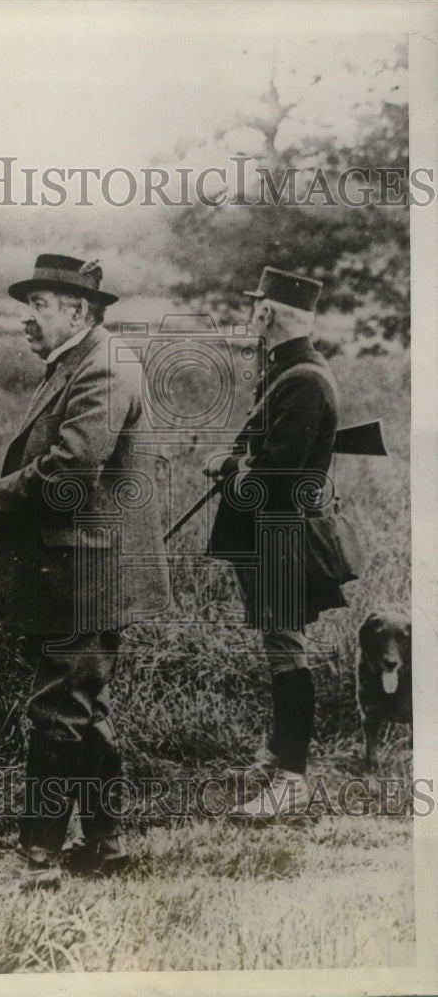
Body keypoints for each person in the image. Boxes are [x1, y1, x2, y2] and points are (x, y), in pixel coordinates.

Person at [0, 254, 170, 892]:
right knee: (82, 706)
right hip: (76, 567)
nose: (29, 318)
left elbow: (70, 469)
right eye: (30, 305)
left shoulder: (103, 368)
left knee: (58, 712)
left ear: (79, 311)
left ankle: (36, 862)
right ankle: (104, 847)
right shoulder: (79, 363)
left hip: (88, 571)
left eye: (41, 305)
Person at [205, 267, 343, 820]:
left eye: (256, 305)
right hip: (271, 534)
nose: (251, 313)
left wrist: (232, 464)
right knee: (278, 646)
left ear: (267, 314)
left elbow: (277, 473)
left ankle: (291, 780)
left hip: (283, 535)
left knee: (287, 651)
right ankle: (276, 758)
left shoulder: (302, 378)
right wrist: (236, 456)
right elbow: (264, 445)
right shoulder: (289, 370)